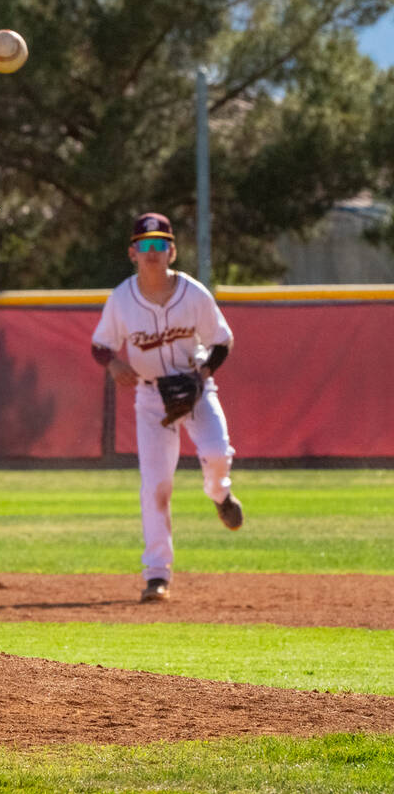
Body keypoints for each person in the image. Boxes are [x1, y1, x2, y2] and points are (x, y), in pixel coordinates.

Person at [91, 212, 243, 604]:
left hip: (197, 388)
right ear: (132, 253)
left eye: (160, 244)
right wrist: (114, 365)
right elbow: (100, 345)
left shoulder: (192, 293)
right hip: (150, 398)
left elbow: (222, 340)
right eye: (144, 245)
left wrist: (202, 375)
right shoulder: (122, 298)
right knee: (156, 484)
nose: (152, 252)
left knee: (217, 454)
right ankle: (157, 574)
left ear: (172, 251)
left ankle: (219, 493)